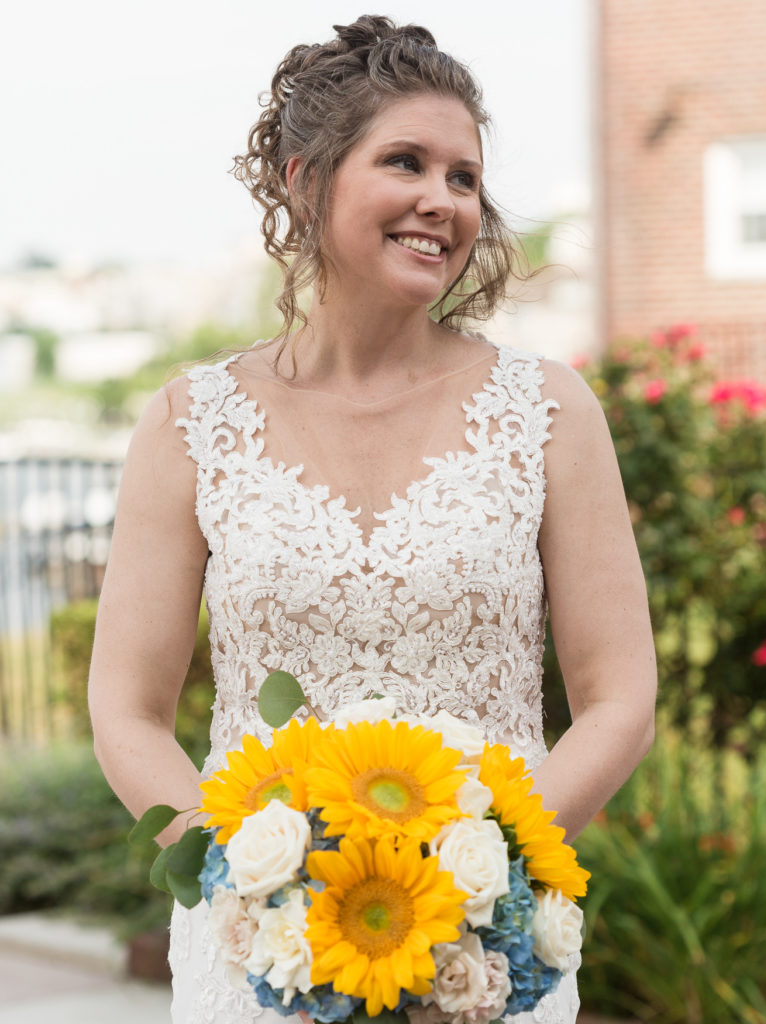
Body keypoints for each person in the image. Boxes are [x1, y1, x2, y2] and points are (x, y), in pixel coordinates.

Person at [88, 15, 656, 1024]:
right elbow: (128, 708)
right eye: (407, 163)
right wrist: (237, 880)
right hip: (253, 949)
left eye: (465, 177)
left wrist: (487, 881)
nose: (443, 200)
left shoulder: (551, 412)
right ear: (307, 180)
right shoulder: (191, 420)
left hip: (484, 953)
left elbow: (619, 696)